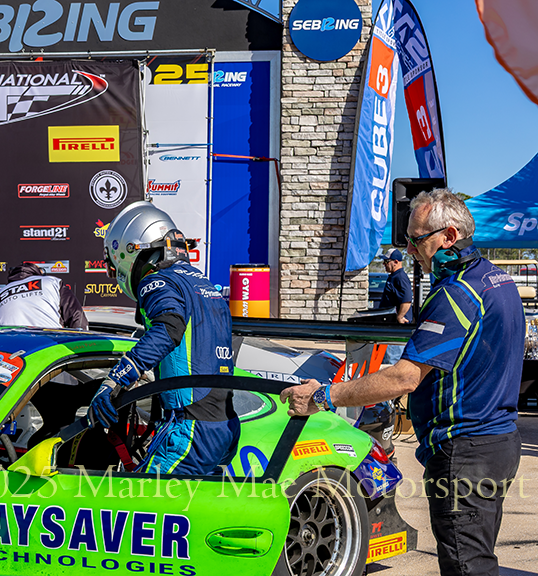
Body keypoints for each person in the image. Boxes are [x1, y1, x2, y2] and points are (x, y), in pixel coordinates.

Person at [281, 189, 523, 576]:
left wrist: (324, 395)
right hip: (499, 441)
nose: (409, 249)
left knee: (467, 565)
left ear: (449, 236)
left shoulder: (457, 293)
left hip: (466, 449)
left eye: (416, 239)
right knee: (476, 557)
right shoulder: (498, 279)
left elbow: (405, 377)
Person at [88, 201, 239, 475]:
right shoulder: (202, 283)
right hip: (224, 425)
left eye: (112, 267)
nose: (114, 274)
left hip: (190, 428)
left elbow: (169, 328)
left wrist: (116, 379)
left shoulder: (158, 280)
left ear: (130, 249)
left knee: (138, 498)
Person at [0, 262, 88, 329]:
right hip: (50, 345)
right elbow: (76, 315)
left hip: (11, 349)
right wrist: (82, 344)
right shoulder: (51, 282)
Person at [379, 248, 413, 363]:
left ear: (396, 262)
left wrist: (400, 316)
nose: (384, 264)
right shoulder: (393, 276)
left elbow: (407, 300)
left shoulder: (400, 277)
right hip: (389, 326)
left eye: (386, 261)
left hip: (396, 329)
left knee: (391, 361)